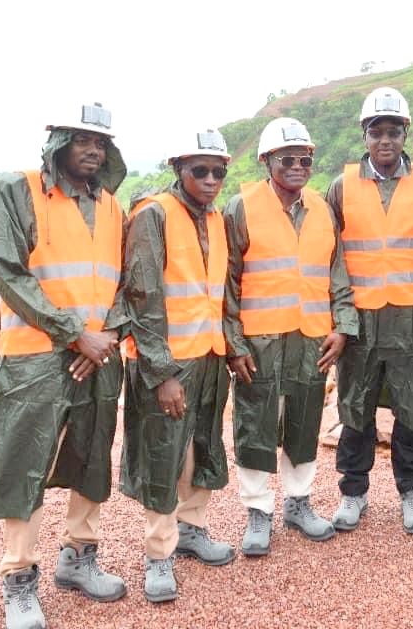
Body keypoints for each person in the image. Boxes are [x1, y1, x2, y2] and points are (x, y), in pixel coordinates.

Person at [0, 103, 128, 629]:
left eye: (101, 142)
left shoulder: (112, 205)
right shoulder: (17, 191)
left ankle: (80, 557)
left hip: (100, 357)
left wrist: (109, 335)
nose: (94, 149)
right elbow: (8, 273)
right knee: (25, 463)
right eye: (82, 139)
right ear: (58, 141)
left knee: (92, 458)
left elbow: (125, 281)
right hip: (35, 359)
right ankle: (19, 576)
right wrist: (75, 335)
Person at [223, 117, 358, 556]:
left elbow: (337, 274)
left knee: (304, 423)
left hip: (311, 339)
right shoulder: (240, 208)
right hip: (259, 341)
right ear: (266, 161)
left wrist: (342, 326)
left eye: (305, 159)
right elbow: (227, 282)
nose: (297, 166)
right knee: (255, 424)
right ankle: (258, 512)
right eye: (287, 159)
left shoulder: (323, 209)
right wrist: (234, 344)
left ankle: (298, 504)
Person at [119, 129, 236, 603]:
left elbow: (222, 291)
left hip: (208, 354)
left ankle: (192, 529)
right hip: (166, 362)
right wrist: (161, 372)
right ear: (178, 169)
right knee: (162, 454)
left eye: (218, 172)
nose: (210, 180)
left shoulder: (218, 220)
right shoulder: (153, 216)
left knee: (201, 444)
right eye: (199, 171)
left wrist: (231, 347)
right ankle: (158, 553)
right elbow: (142, 296)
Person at [326, 86, 413, 535]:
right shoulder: (341, 187)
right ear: (364, 134)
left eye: (393, 131)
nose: (385, 140)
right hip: (359, 320)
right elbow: (331, 254)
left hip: (412, 320)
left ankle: (412, 493)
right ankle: (353, 493)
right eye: (376, 131)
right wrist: (339, 319)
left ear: (405, 133)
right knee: (355, 409)